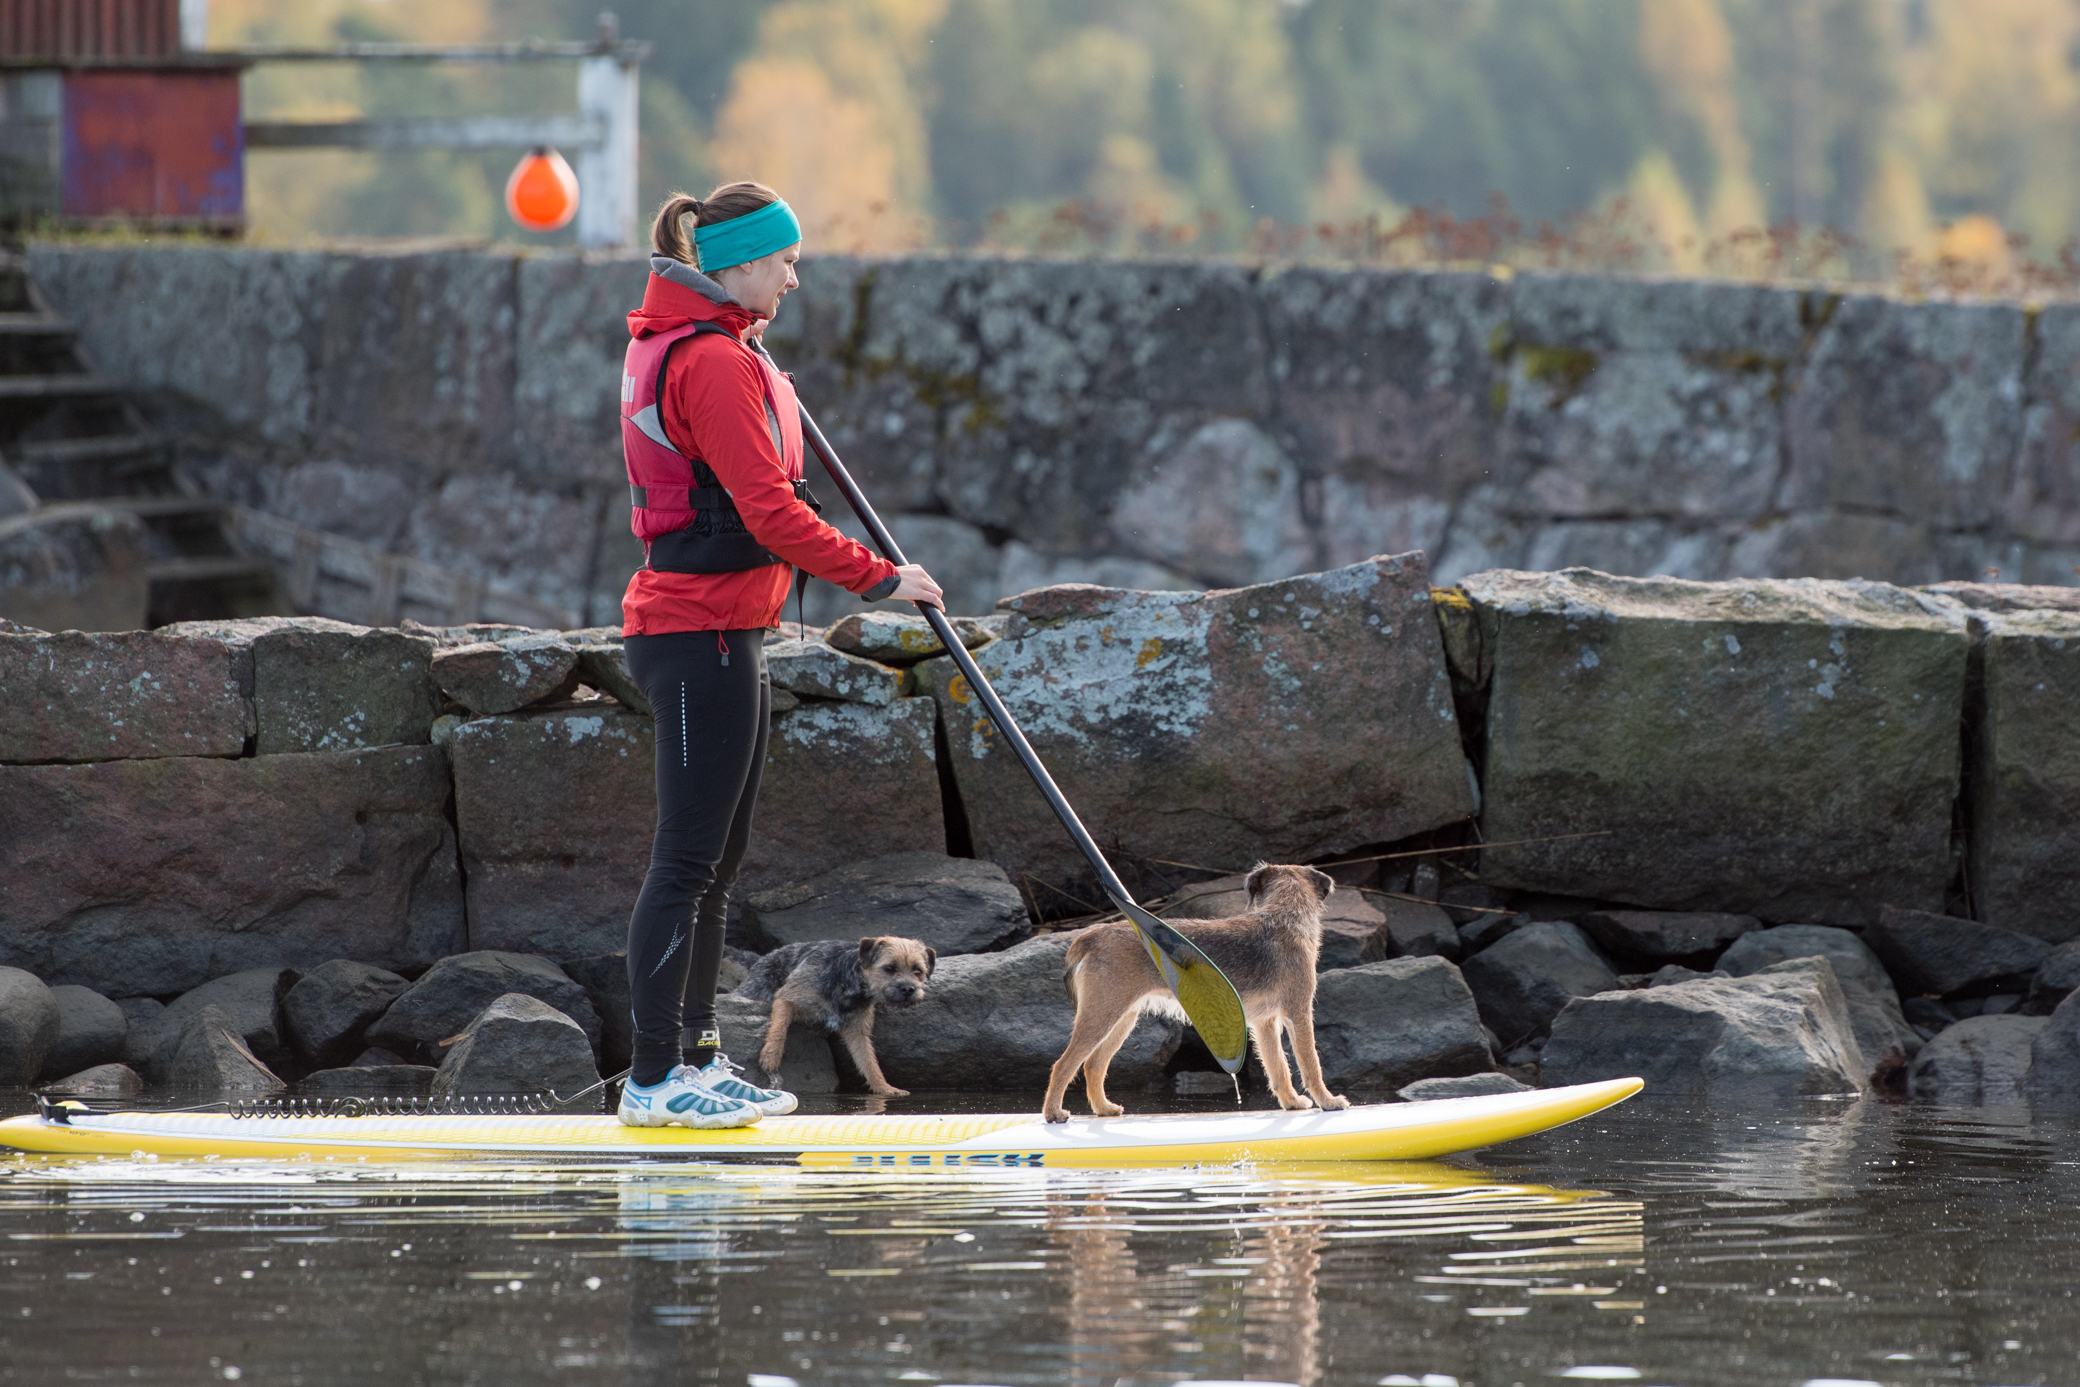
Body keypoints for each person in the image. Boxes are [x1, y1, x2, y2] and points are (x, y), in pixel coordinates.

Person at [615, 182, 944, 1128]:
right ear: (742, 264)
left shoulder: (727, 351)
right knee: (683, 865)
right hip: (692, 633)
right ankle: (652, 1081)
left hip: (729, 633)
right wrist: (882, 578)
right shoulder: (711, 363)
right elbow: (769, 514)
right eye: (785, 262)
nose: (795, 278)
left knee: (718, 869)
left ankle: (697, 1061)